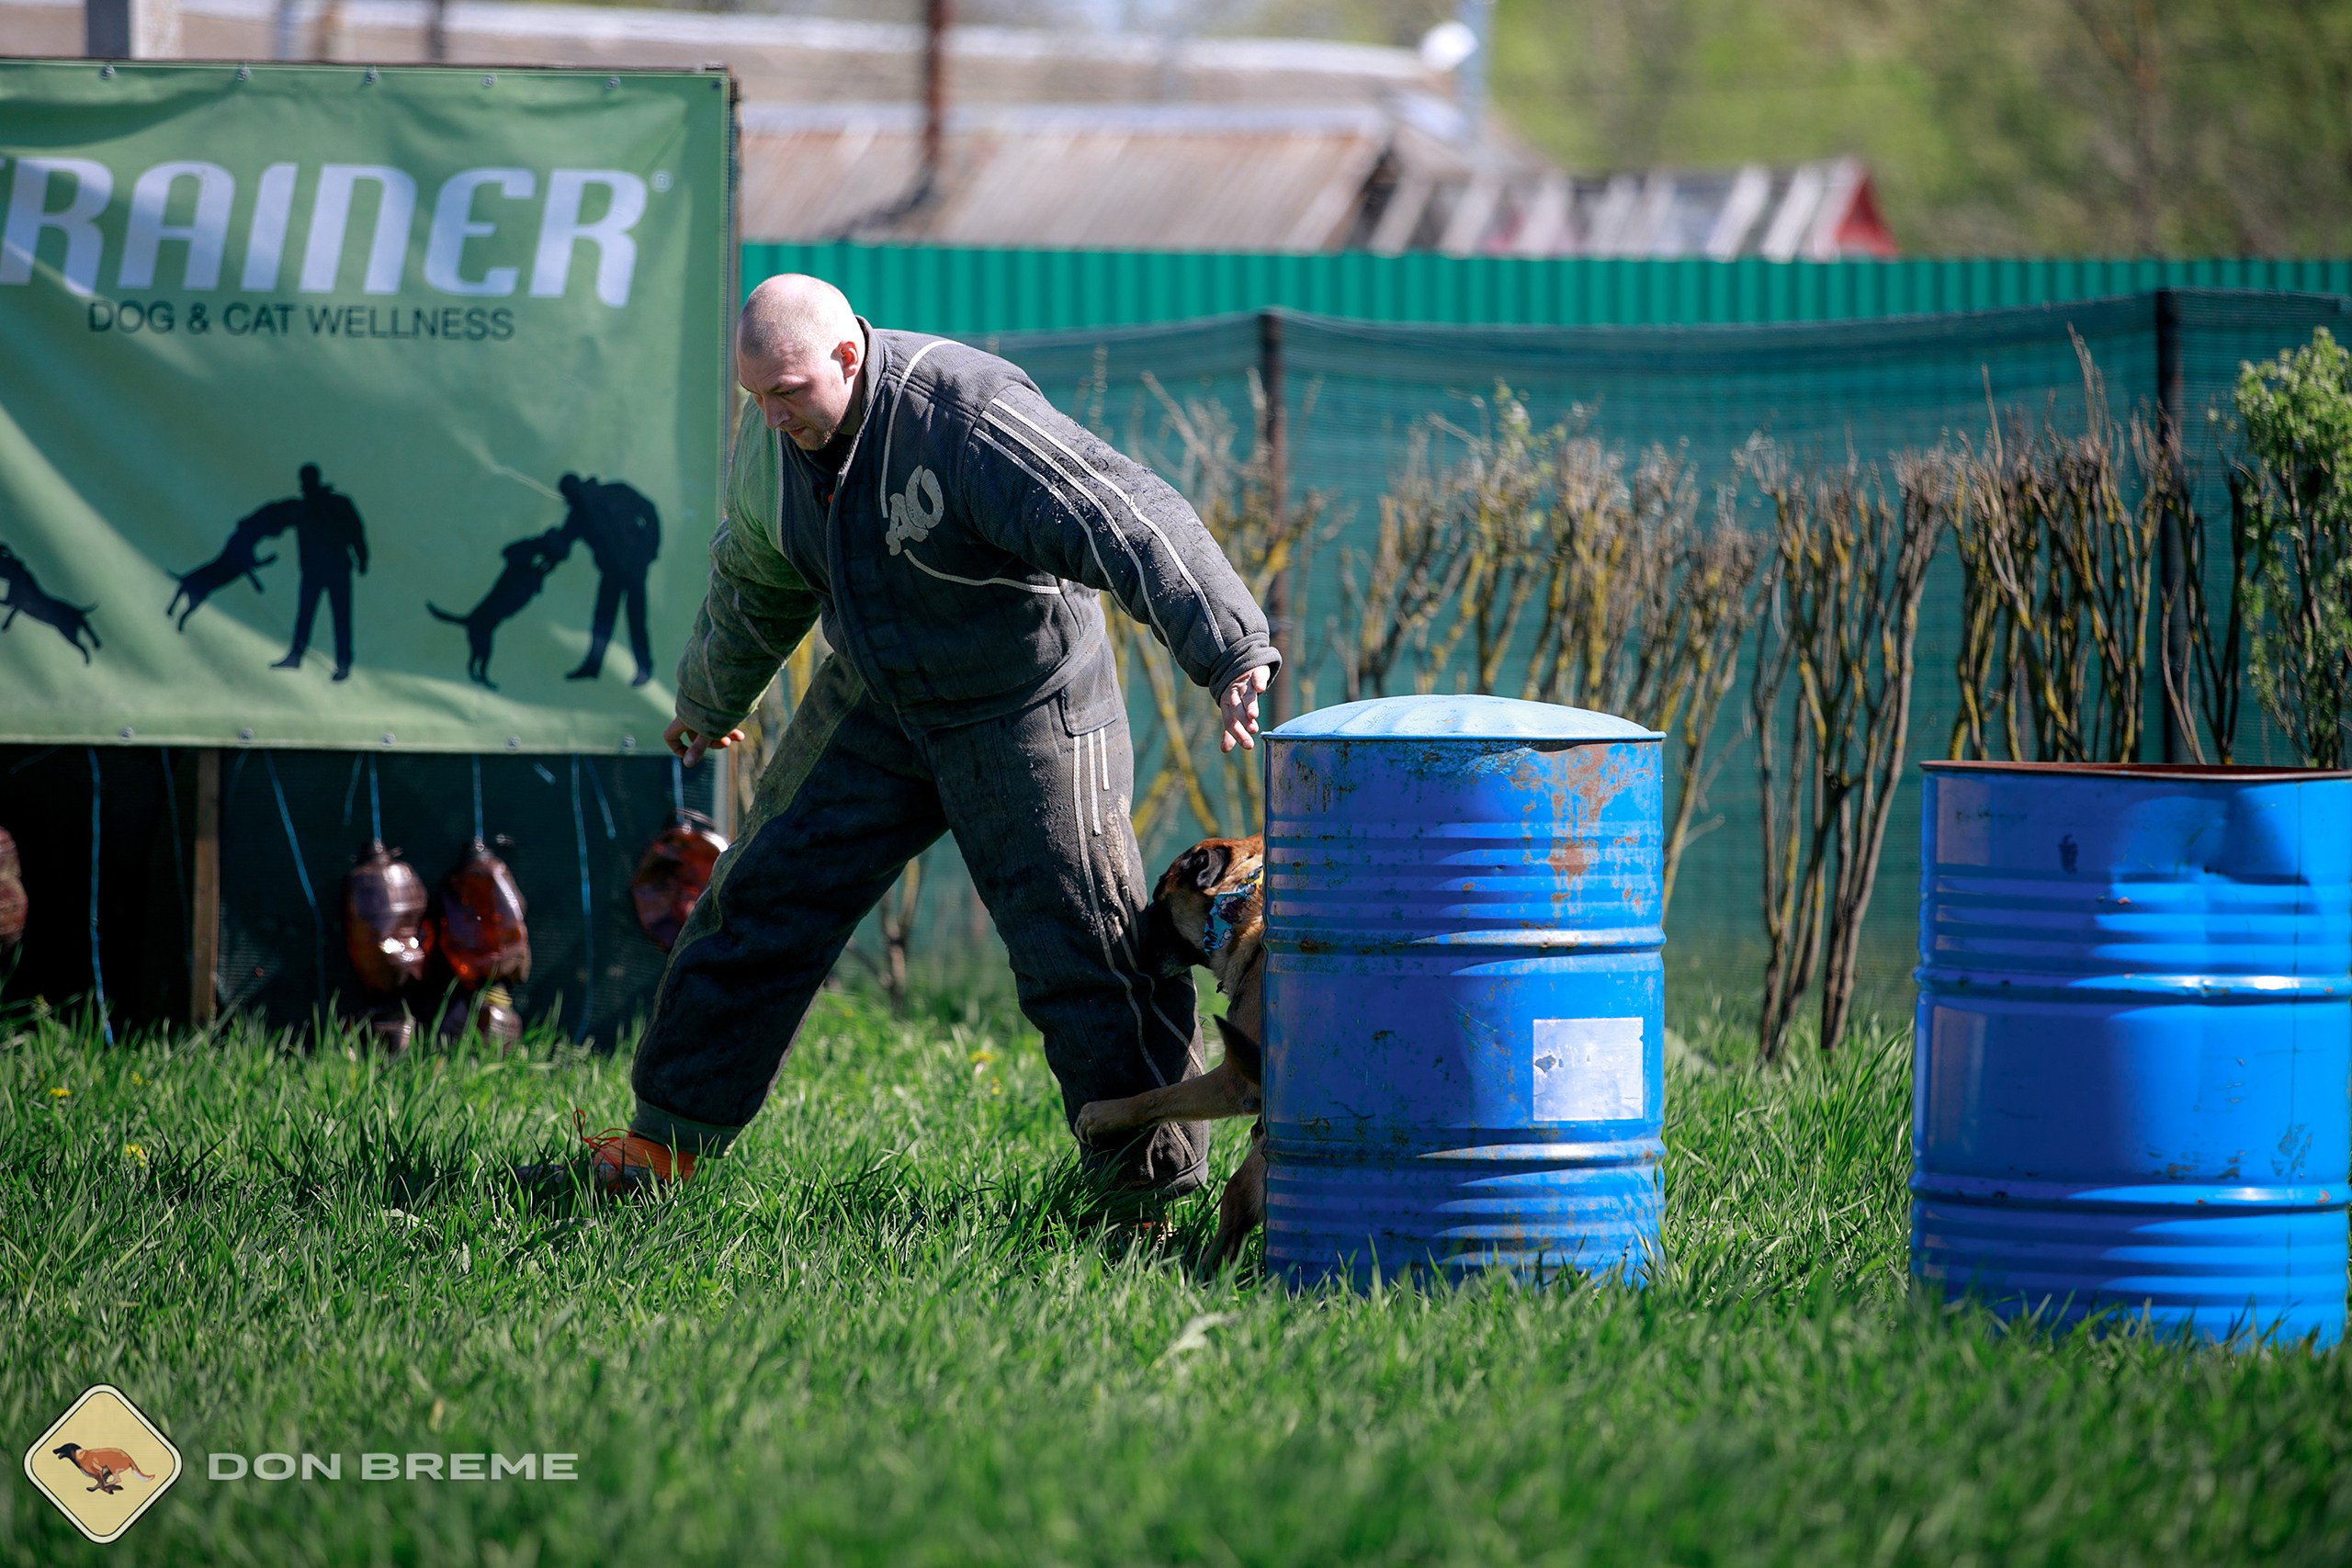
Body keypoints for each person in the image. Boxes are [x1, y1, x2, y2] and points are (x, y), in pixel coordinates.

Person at [562, 274, 1279, 1201]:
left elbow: (1121, 510)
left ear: (848, 356)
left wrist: (1230, 650)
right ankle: (665, 1146)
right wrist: (708, 699)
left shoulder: (966, 416)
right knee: (756, 900)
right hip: (877, 697)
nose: (773, 417)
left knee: (1090, 952)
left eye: (788, 393)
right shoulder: (773, 442)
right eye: (757, 398)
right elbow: (753, 579)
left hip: (1028, 705)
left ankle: (1143, 1196)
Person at [553, 472, 662, 685]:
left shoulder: (616, 491)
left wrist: (648, 551)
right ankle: (592, 667)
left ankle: (644, 668)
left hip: (634, 567)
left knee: (635, 619)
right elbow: (562, 543)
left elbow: (649, 511)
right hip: (611, 571)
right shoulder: (580, 513)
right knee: (602, 620)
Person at [269, 463, 369, 681]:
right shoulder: (310, 506)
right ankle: (310, 659)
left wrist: (362, 558)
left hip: (330, 569)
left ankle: (335, 663)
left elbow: (356, 531)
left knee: (330, 617)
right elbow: (357, 531)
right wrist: (362, 558)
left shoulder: (315, 505)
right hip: (324, 570)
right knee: (320, 617)